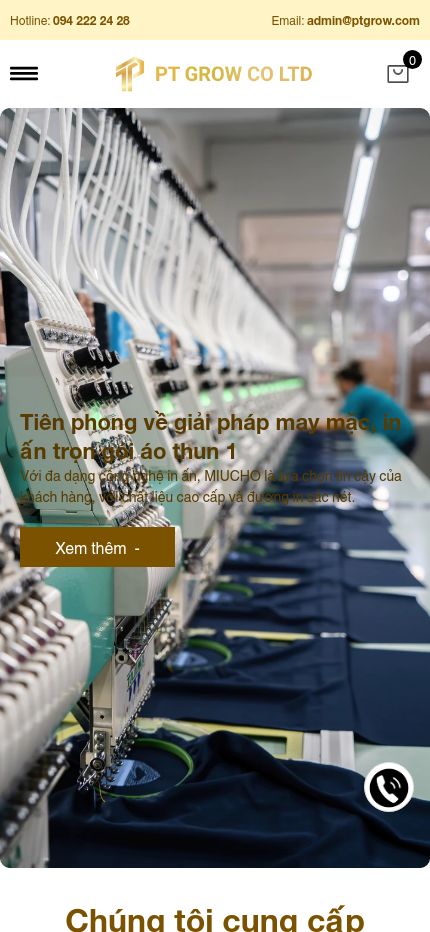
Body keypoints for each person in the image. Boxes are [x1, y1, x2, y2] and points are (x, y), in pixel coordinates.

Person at [336, 360, 416, 456]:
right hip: (403, 433)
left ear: (346, 382)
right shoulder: (363, 390)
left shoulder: (357, 394)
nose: (339, 388)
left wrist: (318, 425)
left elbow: (343, 421)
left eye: (339, 384)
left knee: (391, 464)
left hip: (400, 437)